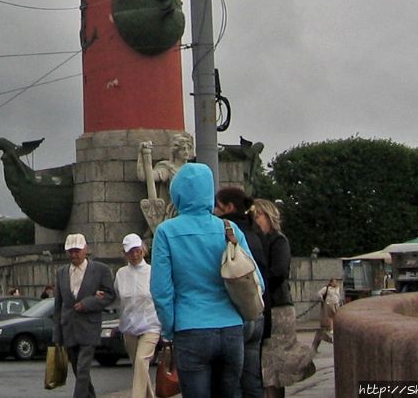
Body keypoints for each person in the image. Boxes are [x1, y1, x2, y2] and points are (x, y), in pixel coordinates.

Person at [151, 162, 261, 398]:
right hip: (231, 328)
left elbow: (161, 291)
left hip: (190, 328)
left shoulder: (166, 232)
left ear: (177, 193)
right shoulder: (229, 228)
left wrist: (170, 330)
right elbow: (256, 279)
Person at [251, 199, 314, 398]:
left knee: (276, 364)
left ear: (270, 217)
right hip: (264, 306)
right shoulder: (256, 241)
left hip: (278, 307)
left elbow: (278, 272)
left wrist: (257, 282)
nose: (255, 220)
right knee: (267, 366)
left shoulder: (278, 240)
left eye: (258, 215)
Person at [215, 186, 267, 398]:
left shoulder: (226, 231)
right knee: (252, 379)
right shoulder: (255, 232)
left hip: (236, 314)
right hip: (256, 313)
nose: (214, 211)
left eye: (217, 207)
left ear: (228, 207)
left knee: (232, 382)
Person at [52, 232, 118, 398]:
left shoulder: (100, 270)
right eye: (70, 251)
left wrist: (88, 303)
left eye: (77, 250)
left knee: (83, 369)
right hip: (69, 328)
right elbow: (58, 305)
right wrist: (57, 335)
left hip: (89, 327)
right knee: (78, 371)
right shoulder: (61, 272)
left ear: (85, 249)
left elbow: (110, 294)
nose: (74, 254)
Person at [116, 233, 160, 398]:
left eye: (137, 250)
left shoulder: (153, 271)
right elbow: (117, 298)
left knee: (142, 361)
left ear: (143, 249)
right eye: (130, 252)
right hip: (129, 327)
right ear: (125, 253)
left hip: (151, 325)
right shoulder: (121, 274)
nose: (135, 255)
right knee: (139, 368)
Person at [311, 278, 341, 354]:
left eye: (335, 282)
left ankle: (333, 330)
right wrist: (322, 299)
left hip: (336, 304)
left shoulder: (337, 288)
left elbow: (338, 296)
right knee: (330, 317)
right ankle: (331, 330)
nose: (334, 283)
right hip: (329, 304)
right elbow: (319, 293)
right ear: (330, 282)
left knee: (336, 317)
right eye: (333, 282)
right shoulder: (327, 288)